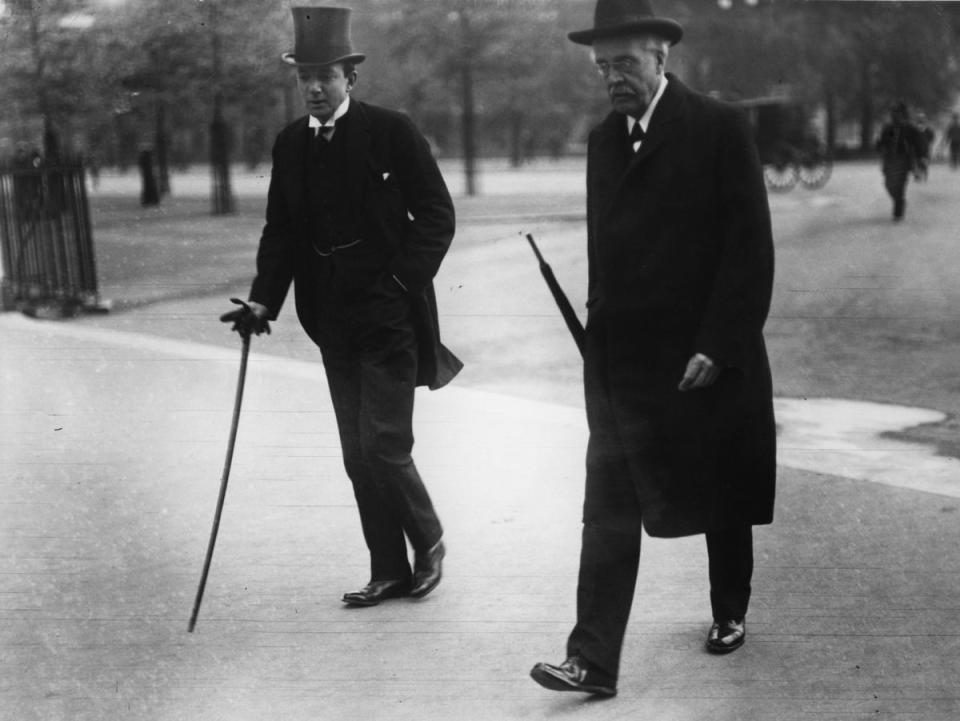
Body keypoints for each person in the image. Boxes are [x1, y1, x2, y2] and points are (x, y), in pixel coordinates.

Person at [529, 0, 776, 698]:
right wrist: (596, 341)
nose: (614, 78)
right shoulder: (602, 142)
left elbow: (749, 251)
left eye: (626, 64)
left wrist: (722, 344)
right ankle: (591, 660)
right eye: (603, 66)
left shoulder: (719, 127)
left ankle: (729, 608)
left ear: (661, 58)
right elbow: (602, 255)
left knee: (720, 488)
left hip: (703, 356)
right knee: (607, 503)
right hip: (624, 364)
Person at [221, 6, 461, 607]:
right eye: (305, 76)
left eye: (325, 75)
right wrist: (262, 301)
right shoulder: (289, 145)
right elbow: (281, 233)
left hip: (390, 316)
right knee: (358, 455)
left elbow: (436, 215)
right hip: (332, 319)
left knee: (383, 444)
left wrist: (402, 282)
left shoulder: (391, 131)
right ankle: (388, 569)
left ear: (349, 77)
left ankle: (428, 540)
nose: (315, 87)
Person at [876, 102, 922, 221]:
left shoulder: (910, 128)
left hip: (904, 160)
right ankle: (899, 201)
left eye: (897, 113)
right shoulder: (889, 128)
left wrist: (920, 158)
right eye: (893, 112)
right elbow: (883, 141)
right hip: (890, 160)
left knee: (900, 185)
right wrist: (880, 145)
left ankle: (898, 211)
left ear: (902, 114)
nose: (894, 115)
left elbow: (918, 144)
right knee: (889, 185)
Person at [913, 112, 934, 181]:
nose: (920, 120)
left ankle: (923, 174)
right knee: (917, 162)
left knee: (923, 162)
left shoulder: (927, 130)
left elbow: (931, 138)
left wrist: (929, 144)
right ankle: (918, 175)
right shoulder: (914, 129)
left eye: (922, 119)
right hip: (917, 148)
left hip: (924, 148)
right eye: (919, 119)